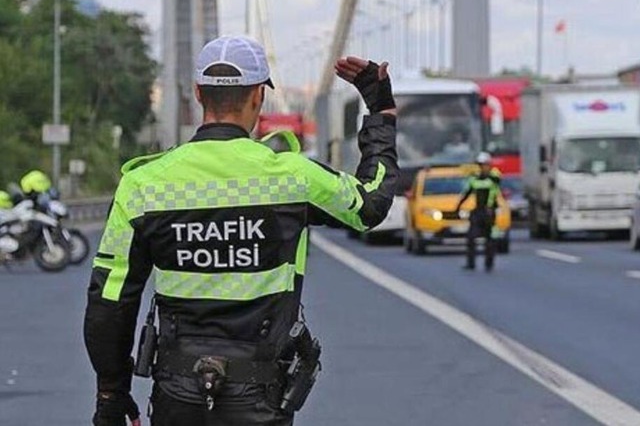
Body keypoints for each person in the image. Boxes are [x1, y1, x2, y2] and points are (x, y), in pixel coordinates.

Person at [83, 35, 399, 426]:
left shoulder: (144, 185)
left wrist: (112, 393)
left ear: (199, 94)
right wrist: (380, 110)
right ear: (258, 97)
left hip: (176, 395)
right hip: (261, 397)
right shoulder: (293, 178)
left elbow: (110, 302)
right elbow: (371, 204)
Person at [455, 152, 502, 272]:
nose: (483, 167)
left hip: (489, 212)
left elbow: (497, 181)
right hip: (478, 211)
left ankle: (489, 264)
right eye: (481, 165)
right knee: (471, 237)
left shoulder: (494, 177)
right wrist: (458, 207)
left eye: (485, 165)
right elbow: (466, 193)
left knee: (490, 240)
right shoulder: (474, 179)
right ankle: (471, 263)